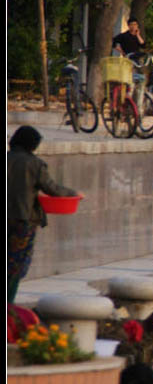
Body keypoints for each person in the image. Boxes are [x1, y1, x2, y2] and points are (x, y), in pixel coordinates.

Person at [7, 126, 78, 303]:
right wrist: (74, 193)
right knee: (16, 266)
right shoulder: (35, 164)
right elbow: (52, 189)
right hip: (23, 221)